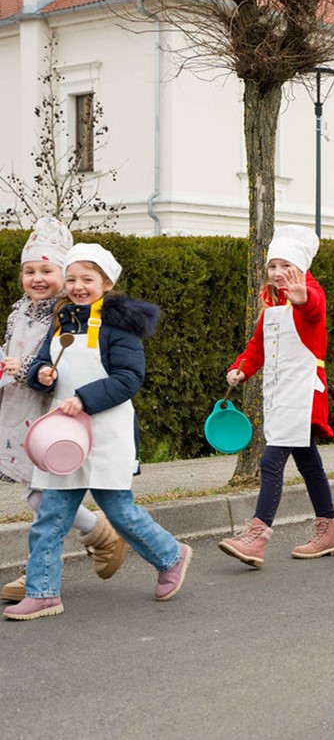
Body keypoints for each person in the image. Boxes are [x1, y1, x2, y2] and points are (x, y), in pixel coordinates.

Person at [4, 243, 191, 620]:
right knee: (50, 516)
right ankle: (43, 593)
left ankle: (171, 556)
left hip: (107, 432)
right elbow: (43, 363)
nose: (77, 286)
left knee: (120, 512)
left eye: (87, 279)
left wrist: (85, 399)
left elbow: (129, 377)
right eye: (71, 279)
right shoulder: (62, 319)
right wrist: (42, 374)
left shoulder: (119, 325)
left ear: (106, 284)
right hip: (63, 433)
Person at [0, 220, 127, 602]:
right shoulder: (19, 312)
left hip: (50, 415)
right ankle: (97, 535)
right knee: (39, 495)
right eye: (29, 271)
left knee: (45, 497)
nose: (37, 278)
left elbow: (60, 365)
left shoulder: (65, 315)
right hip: (16, 412)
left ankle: (52, 562)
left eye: (47, 270)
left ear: (63, 275)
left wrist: (26, 368)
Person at [218, 226, 334, 567]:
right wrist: (241, 368)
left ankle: (256, 537)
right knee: (308, 462)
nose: (277, 273)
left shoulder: (309, 295)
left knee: (271, 461)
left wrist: (302, 297)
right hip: (280, 393)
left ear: (301, 268)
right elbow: (257, 347)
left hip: (302, 393)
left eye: (286, 265)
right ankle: (329, 529)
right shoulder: (271, 305)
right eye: (272, 266)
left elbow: (313, 307)